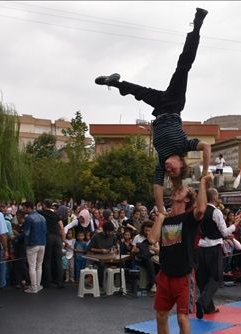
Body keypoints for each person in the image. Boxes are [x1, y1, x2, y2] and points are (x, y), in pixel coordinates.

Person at [95, 8, 211, 214]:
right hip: (174, 104)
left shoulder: (160, 161)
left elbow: (157, 187)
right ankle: (198, 24)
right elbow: (207, 148)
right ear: (181, 163)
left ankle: (114, 83)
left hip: (159, 110)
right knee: (183, 66)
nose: (168, 169)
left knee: (138, 92)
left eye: (169, 172)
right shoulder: (184, 145)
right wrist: (205, 173)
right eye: (173, 169)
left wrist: (160, 209)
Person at [145, 174, 209, 334]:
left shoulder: (190, 217)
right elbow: (152, 238)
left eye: (180, 190)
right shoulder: (165, 218)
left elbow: (201, 209)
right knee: (160, 316)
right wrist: (161, 217)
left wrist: (201, 183)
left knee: (182, 318)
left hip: (183, 277)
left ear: (187, 198)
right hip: (165, 275)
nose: (175, 190)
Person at [195, 188, 240, 319]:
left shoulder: (199, 211)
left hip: (201, 247)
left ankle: (209, 308)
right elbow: (225, 232)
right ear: (214, 197)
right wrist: (235, 225)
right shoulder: (216, 211)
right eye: (218, 196)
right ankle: (202, 302)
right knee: (216, 277)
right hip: (213, 247)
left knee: (203, 278)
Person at [38, 199, 65, 289]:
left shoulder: (41, 213)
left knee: (47, 260)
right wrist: (63, 240)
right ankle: (60, 281)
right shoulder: (56, 214)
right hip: (57, 237)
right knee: (58, 260)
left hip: (48, 237)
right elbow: (61, 228)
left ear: (44, 205)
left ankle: (47, 282)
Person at [22, 201, 47, 294]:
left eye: (24, 208)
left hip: (32, 244)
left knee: (32, 266)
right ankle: (38, 285)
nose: (23, 210)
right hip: (42, 243)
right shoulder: (42, 217)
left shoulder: (29, 218)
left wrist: (17, 237)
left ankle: (33, 287)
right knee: (39, 265)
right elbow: (45, 231)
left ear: (28, 208)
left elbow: (26, 233)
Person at [87, 220, 118, 287]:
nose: (110, 233)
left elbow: (115, 246)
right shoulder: (96, 236)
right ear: (104, 230)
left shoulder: (113, 236)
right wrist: (101, 250)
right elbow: (89, 248)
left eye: (112, 231)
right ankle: (100, 285)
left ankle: (116, 283)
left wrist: (114, 249)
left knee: (121, 263)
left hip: (109, 256)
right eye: (109, 231)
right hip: (98, 258)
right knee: (101, 265)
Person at [132, 220, 158, 293]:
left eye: (149, 230)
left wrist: (152, 248)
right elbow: (133, 250)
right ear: (143, 229)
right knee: (149, 262)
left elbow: (158, 251)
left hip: (152, 256)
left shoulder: (154, 238)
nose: (147, 232)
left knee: (156, 263)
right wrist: (136, 250)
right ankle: (152, 283)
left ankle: (157, 283)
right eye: (146, 230)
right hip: (140, 258)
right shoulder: (138, 237)